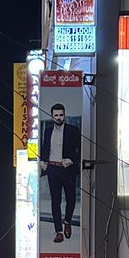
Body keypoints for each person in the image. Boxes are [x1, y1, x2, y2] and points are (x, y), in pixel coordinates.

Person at [40, 102, 81, 243]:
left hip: (67, 168)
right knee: (55, 200)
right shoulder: (48, 131)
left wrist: (72, 160)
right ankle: (58, 231)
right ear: (52, 116)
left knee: (70, 199)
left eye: (61, 115)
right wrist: (42, 161)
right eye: (56, 115)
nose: (58, 117)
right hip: (53, 168)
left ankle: (68, 221)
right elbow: (45, 147)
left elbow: (80, 150)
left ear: (65, 115)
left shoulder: (73, 130)